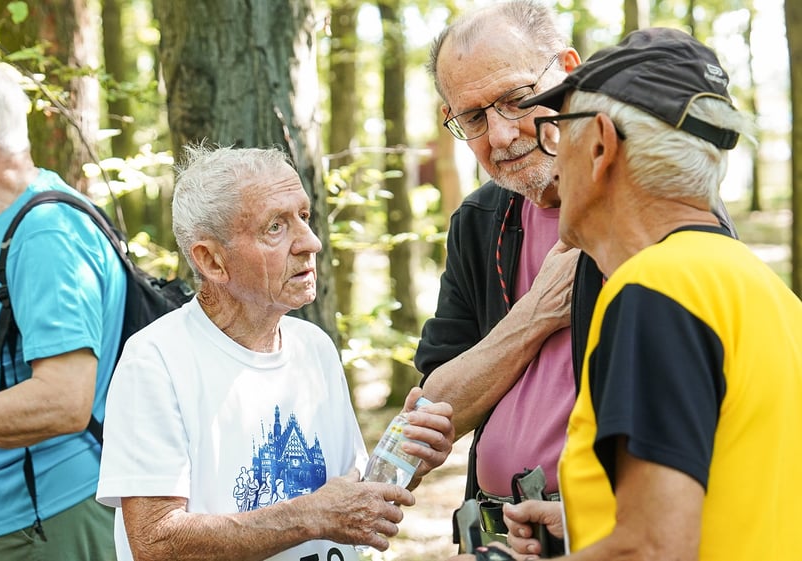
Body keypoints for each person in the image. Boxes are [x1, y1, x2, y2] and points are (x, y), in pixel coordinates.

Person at [478, 27, 802, 560]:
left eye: (560, 132)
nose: (553, 163)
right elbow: (745, 484)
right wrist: (588, 519)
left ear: (601, 145)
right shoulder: (762, 289)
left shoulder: (654, 289)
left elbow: (653, 549)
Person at [96, 143, 456, 561]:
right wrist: (310, 516)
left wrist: (405, 458)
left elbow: (345, 500)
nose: (311, 242)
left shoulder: (314, 347)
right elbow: (155, 542)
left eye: (304, 216)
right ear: (212, 261)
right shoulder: (155, 360)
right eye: (275, 227)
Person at [417, 0, 582, 546]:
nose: (502, 135)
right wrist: (535, 315)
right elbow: (437, 404)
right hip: (492, 533)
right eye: (473, 118)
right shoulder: (480, 221)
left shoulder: (645, 206)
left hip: (604, 534)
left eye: (516, 100)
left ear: (568, 73)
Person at [0, 57, 124, 560]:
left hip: (46, 523)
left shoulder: (43, 233)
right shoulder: (8, 228)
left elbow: (64, 400)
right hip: (14, 522)